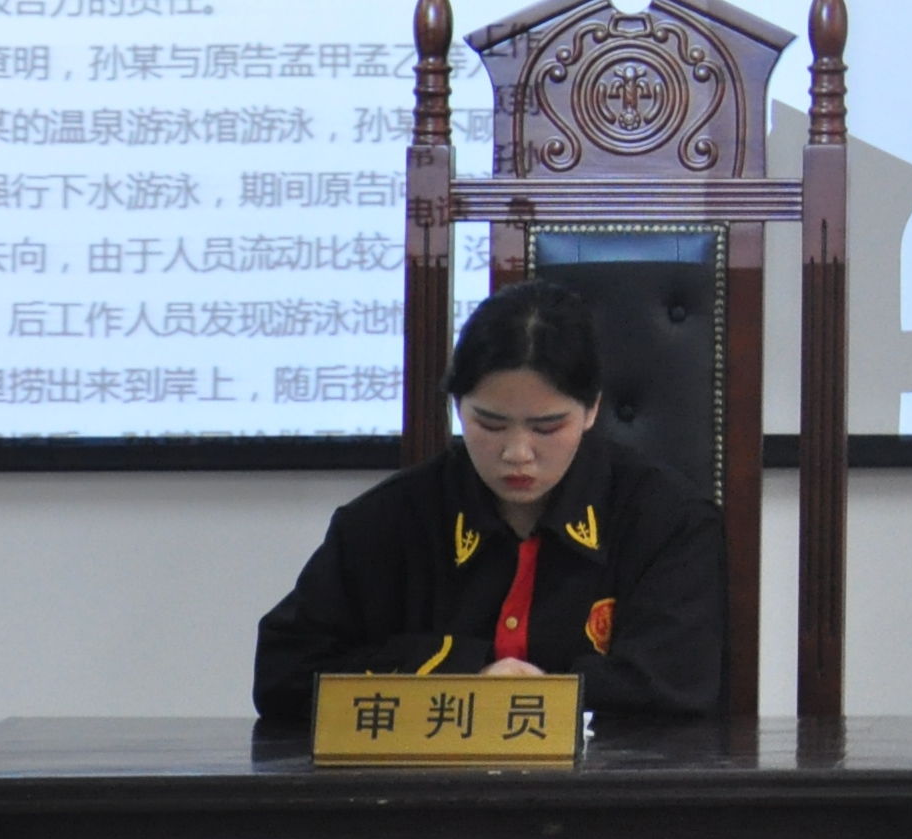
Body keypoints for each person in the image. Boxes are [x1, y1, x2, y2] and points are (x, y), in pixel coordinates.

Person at [253, 279, 722, 719]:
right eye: (490, 425)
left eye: (547, 427)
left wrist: (537, 693)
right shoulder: (385, 523)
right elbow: (284, 674)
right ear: (458, 406)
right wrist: (464, 674)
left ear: (592, 409)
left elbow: (677, 686)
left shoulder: (667, 522)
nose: (517, 453)